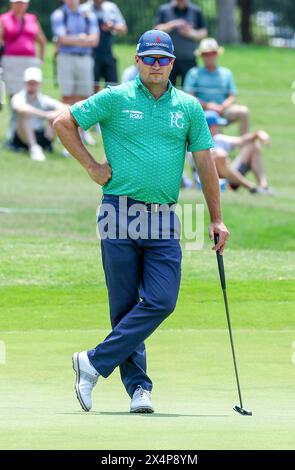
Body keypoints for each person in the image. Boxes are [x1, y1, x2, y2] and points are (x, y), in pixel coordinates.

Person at [54, 30, 229, 414]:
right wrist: (92, 167)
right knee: (124, 304)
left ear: (172, 63)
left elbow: (205, 164)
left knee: (162, 300)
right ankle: (139, 389)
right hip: (118, 211)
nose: (155, 65)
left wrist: (216, 219)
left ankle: (92, 362)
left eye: (162, 59)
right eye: (148, 59)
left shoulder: (188, 107)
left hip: (164, 216)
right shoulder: (116, 98)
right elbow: (63, 121)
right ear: (136, 60)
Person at [51, 0, 99, 145]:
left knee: (84, 97)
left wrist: (71, 38)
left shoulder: (88, 14)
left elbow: (95, 40)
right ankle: (66, 131)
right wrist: (83, 38)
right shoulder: (59, 14)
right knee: (67, 97)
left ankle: (84, 132)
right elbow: (62, 39)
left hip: (85, 58)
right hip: (65, 58)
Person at [184, 38, 250, 135]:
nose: (209, 56)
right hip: (201, 110)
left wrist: (223, 106)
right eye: (206, 54)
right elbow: (189, 97)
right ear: (201, 56)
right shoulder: (194, 73)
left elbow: (232, 96)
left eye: (213, 53)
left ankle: (245, 145)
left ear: (217, 54)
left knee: (243, 112)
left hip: (224, 109)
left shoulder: (226, 73)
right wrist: (208, 105)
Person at [200, 111, 273, 195]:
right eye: (216, 125)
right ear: (209, 127)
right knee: (220, 157)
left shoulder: (218, 138)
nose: (219, 128)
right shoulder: (197, 143)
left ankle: (264, 187)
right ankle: (252, 187)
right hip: (212, 181)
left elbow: (242, 140)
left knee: (253, 146)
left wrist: (257, 134)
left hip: (230, 177)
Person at [10, 67, 67, 162]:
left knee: (58, 116)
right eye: (29, 82)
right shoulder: (18, 97)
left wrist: (53, 114)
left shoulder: (44, 99)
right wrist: (44, 114)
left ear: (40, 84)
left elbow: (67, 108)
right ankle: (34, 147)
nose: (32, 85)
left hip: (42, 135)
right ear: (25, 83)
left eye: (34, 82)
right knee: (25, 114)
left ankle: (67, 148)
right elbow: (21, 108)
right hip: (21, 137)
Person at [0, 0, 46, 98]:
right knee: (14, 93)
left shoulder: (32, 19)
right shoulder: (4, 19)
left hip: (30, 61)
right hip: (11, 61)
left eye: (23, 3)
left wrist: (41, 59)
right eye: (18, 2)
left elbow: (42, 40)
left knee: (32, 91)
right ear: (11, 4)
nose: (20, 5)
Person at [155, 0, 207, 86]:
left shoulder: (196, 11)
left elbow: (203, 32)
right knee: (165, 89)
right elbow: (157, 30)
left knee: (189, 90)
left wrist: (190, 33)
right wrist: (173, 24)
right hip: (167, 59)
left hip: (189, 58)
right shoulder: (164, 10)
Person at [83, 0, 127, 91]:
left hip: (108, 54)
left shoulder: (111, 8)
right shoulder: (84, 9)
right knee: (92, 90)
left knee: (113, 89)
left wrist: (112, 26)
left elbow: (123, 29)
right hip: (89, 55)